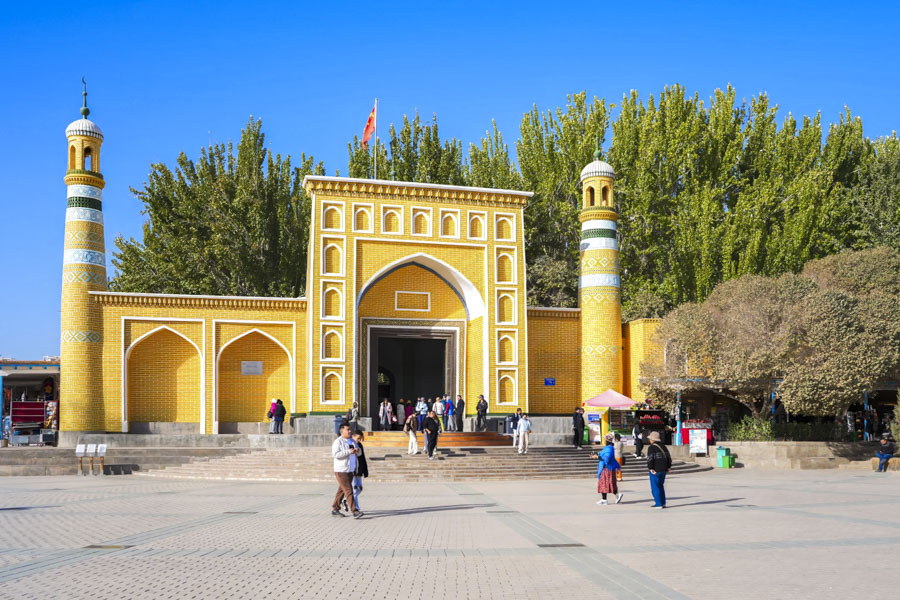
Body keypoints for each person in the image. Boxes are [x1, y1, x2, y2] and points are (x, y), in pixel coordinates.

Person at [331, 422, 362, 518]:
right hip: (341, 470)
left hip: (350, 470)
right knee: (349, 490)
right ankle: (355, 510)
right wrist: (349, 451)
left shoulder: (352, 441)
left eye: (350, 430)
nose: (349, 431)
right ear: (341, 431)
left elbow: (359, 453)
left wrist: (357, 450)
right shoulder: (338, 442)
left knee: (342, 491)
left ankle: (335, 509)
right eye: (347, 430)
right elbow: (336, 454)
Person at [591, 433, 623, 505]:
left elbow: (606, 459)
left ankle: (606, 499)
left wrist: (597, 457)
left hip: (606, 469)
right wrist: (596, 454)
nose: (604, 441)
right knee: (608, 484)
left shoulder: (609, 448)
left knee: (605, 483)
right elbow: (602, 454)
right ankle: (605, 499)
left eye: (605, 440)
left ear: (607, 441)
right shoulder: (608, 448)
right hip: (608, 468)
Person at [646, 431, 672, 509]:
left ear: (652, 440)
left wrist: (650, 468)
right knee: (661, 486)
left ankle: (658, 503)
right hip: (664, 469)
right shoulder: (664, 446)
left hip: (656, 470)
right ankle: (663, 502)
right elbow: (668, 458)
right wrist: (668, 466)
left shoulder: (651, 447)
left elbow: (650, 459)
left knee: (655, 487)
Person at [351, 430, 368, 510]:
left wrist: (365, 470)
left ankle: (345, 500)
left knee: (359, 488)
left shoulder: (359, 445)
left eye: (360, 439)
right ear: (353, 436)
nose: (359, 440)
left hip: (359, 469)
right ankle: (356, 508)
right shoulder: (349, 444)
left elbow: (362, 458)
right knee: (354, 489)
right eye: (358, 438)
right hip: (352, 469)